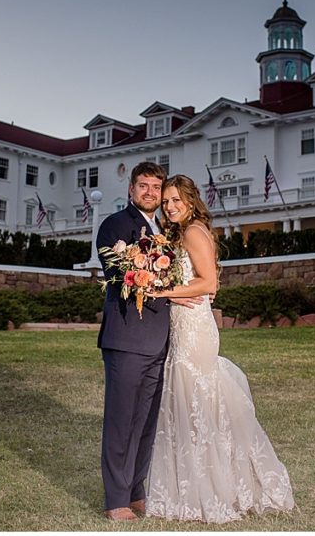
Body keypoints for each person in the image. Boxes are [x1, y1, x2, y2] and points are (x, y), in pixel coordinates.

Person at [144, 174, 295, 523]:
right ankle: (195, 483)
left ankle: (214, 487)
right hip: (183, 324)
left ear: (191, 201)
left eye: (176, 200)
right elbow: (194, 280)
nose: (169, 206)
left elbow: (208, 282)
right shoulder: (177, 234)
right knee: (188, 403)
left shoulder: (194, 231)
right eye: (166, 202)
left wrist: (163, 292)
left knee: (197, 401)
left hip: (196, 328)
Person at [96, 161, 202, 521]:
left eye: (156, 188)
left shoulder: (169, 232)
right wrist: (172, 293)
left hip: (160, 343)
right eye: (143, 186)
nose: (150, 193)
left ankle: (136, 492)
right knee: (121, 421)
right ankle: (115, 501)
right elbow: (122, 274)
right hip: (126, 340)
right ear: (131, 189)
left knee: (145, 423)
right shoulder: (114, 226)